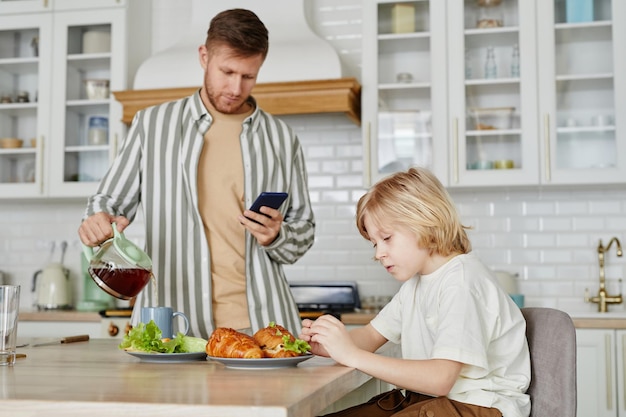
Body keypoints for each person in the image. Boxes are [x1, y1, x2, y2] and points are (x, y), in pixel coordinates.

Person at [78, 8, 315, 339]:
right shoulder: (153, 126)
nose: (236, 87)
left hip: (262, 325)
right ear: (204, 57)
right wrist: (97, 221)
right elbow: (107, 204)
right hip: (171, 324)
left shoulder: (281, 139)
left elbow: (304, 230)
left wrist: (277, 235)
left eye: (249, 76)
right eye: (227, 71)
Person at [300, 167, 530, 417]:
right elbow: (370, 336)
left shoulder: (462, 282)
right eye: (375, 243)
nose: (378, 253)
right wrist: (331, 345)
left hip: (478, 406)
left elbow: (441, 379)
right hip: (429, 400)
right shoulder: (416, 285)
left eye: (387, 238)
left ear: (425, 223)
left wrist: (352, 355)